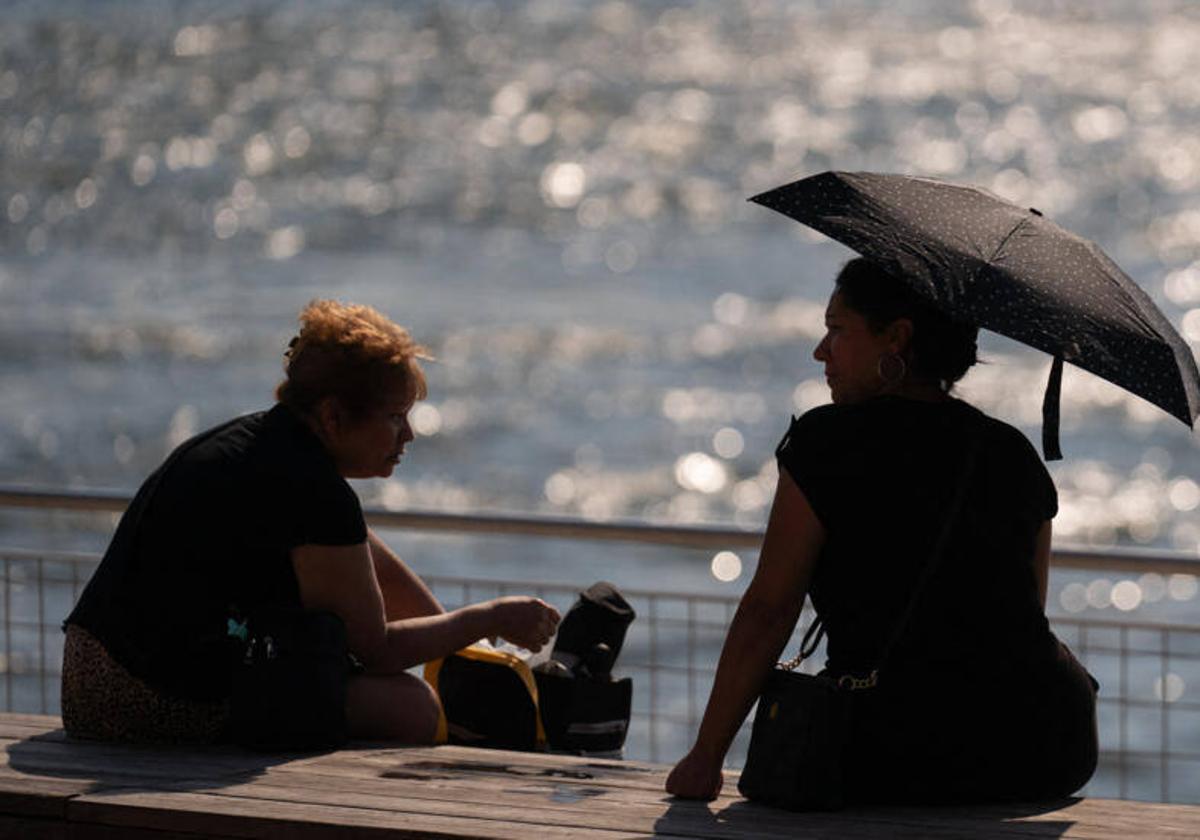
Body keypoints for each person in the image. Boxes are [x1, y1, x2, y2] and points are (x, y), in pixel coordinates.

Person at [666, 258, 1098, 805]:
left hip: (892, 752)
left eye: (837, 330)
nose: (820, 351)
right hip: (1042, 749)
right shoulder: (1013, 452)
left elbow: (769, 611)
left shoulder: (826, 443)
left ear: (896, 339)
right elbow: (1023, 618)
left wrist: (705, 759)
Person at [62, 299, 560, 745]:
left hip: (88, 675)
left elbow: (359, 553)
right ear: (333, 417)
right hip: (142, 700)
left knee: (369, 670)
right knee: (411, 707)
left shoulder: (265, 445)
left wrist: (461, 652)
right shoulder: (315, 491)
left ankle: (465, 672)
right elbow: (378, 650)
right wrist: (492, 616)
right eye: (394, 417)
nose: (408, 434)